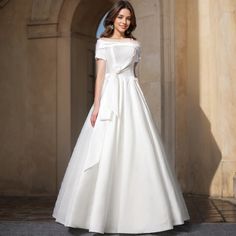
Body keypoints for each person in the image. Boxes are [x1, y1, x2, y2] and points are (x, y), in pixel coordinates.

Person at [52, 0, 190, 234]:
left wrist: (135, 98)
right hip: (109, 97)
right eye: (120, 17)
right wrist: (96, 107)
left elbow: (134, 74)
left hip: (131, 96)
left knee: (137, 148)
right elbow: (100, 77)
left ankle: (144, 214)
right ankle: (97, 215)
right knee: (104, 149)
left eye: (128, 18)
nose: (124, 22)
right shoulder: (103, 43)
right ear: (113, 19)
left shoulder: (135, 44)